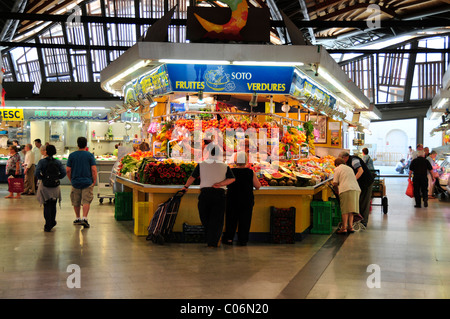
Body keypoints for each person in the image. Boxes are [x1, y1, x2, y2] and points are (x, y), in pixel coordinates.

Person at [182, 139, 235, 248]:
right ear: (219, 154)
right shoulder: (225, 166)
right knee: (217, 219)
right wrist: (221, 184)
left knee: (205, 217)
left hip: (205, 194)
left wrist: (186, 187)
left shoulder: (201, 164)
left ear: (209, 152)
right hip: (219, 194)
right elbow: (232, 179)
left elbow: (192, 177)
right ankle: (213, 241)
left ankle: (211, 240)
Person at [223, 153, 261, 246]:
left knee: (231, 219)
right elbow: (258, 186)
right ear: (246, 162)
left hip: (232, 199)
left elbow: (225, 184)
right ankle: (242, 240)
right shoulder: (250, 172)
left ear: (235, 161)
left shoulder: (230, 171)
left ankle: (229, 239)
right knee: (245, 220)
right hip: (246, 200)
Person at [66, 137, 97, 228]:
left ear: (77, 144)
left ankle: (77, 218)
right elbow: (94, 170)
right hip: (87, 181)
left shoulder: (72, 155)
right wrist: (94, 181)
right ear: (86, 145)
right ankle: (85, 218)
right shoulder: (90, 155)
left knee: (76, 201)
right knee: (86, 200)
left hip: (75, 181)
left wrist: (71, 180)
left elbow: (68, 170)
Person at [35, 145, 66, 232]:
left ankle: (47, 224)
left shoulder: (42, 162)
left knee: (46, 205)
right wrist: (56, 177)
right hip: (55, 187)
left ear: (46, 152)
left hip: (45, 186)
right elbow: (63, 173)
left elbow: (36, 172)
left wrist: (43, 178)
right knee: (53, 204)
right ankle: (52, 221)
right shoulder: (58, 162)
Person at [339, 151, 374, 228]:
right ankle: (359, 220)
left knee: (364, 201)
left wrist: (353, 180)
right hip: (361, 184)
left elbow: (360, 170)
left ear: (344, 157)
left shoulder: (353, 160)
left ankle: (363, 222)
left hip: (366, 183)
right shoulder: (348, 162)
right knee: (359, 201)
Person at [332, 157, 361, 234]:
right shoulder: (349, 168)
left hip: (346, 189)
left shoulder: (337, 169)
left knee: (345, 209)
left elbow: (335, 183)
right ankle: (350, 227)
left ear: (336, 164)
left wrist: (336, 190)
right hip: (356, 189)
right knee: (351, 209)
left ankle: (344, 228)